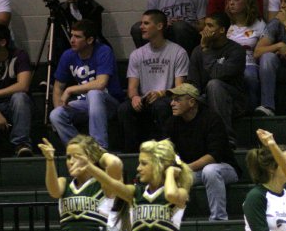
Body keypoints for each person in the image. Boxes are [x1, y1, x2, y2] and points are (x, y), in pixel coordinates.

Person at [165, 83, 239, 221]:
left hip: (224, 168)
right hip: (193, 172)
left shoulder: (212, 119)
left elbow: (213, 156)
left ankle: (218, 220)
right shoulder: (172, 123)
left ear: (192, 102)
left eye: (177, 100)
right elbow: (168, 151)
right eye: (172, 100)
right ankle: (173, 220)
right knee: (168, 172)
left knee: (210, 171)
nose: (172, 103)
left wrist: (185, 168)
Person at [118, 10, 189, 153]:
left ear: (159, 26)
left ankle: (166, 152)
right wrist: (135, 97)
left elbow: (179, 88)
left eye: (146, 23)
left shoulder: (178, 52)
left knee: (161, 106)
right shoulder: (137, 54)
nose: (141, 27)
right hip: (144, 98)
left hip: (167, 97)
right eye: (141, 24)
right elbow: (132, 88)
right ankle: (131, 155)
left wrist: (161, 93)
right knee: (124, 109)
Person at [49, 19, 125, 150]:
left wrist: (71, 89)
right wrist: (59, 106)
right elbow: (58, 87)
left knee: (94, 93)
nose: (72, 40)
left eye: (77, 37)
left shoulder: (103, 51)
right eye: (72, 35)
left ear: (90, 40)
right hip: (84, 104)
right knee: (56, 115)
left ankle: (99, 147)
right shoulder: (68, 55)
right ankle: (81, 150)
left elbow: (101, 83)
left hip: (109, 103)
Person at [188, 12, 247, 148]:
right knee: (183, 97)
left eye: (210, 26)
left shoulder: (236, 51)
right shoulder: (197, 52)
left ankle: (226, 138)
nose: (205, 30)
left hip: (233, 101)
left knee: (214, 84)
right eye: (204, 26)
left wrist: (205, 49)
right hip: (206, 98)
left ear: (222, 30)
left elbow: (217, 74)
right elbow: (193, 83)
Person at [132, 0, 207, 57]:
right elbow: (148, 23)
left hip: (188, 35)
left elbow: (202, 25)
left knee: (179, 27)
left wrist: (186, 23)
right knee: (137, 28)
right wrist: (164, 24)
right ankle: (147, 61)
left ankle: (186, 62)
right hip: (164, 34)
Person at [225, 0, 266, 110]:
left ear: (247, 2)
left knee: (249, 76)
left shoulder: (259, 24)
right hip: (228, 64)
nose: (231, 3)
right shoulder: (226, 23)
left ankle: (252, 111)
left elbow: (261, 50)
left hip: (250, 63)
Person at [0, 24, 33, 156]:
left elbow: (23, 85)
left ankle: (21, 144)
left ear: (2, 42)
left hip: (12, 105)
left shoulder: (19, 56)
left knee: (20, 97)